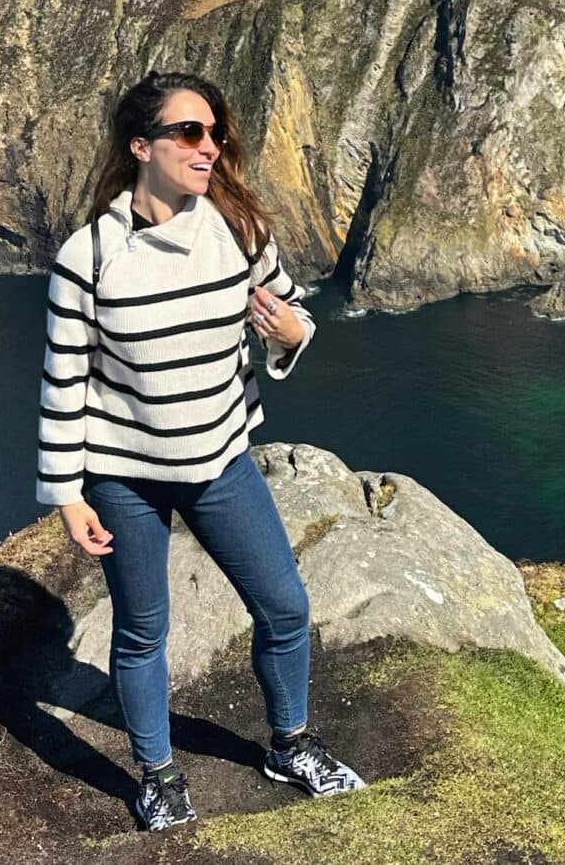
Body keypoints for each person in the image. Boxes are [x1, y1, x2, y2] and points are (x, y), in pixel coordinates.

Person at [35, 69, 366, 831]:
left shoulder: (238, 229)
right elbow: (63, 385)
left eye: (215, 132)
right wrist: (69, 494)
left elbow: (285, 311)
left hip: (221, 462)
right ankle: (158, 775)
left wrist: (293, 336)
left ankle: (290, 744)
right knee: (143, 629)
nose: (209, 145)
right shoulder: (87, 259)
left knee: (285, 606)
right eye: (190, 132)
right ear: (141, 145)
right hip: (125, 477)